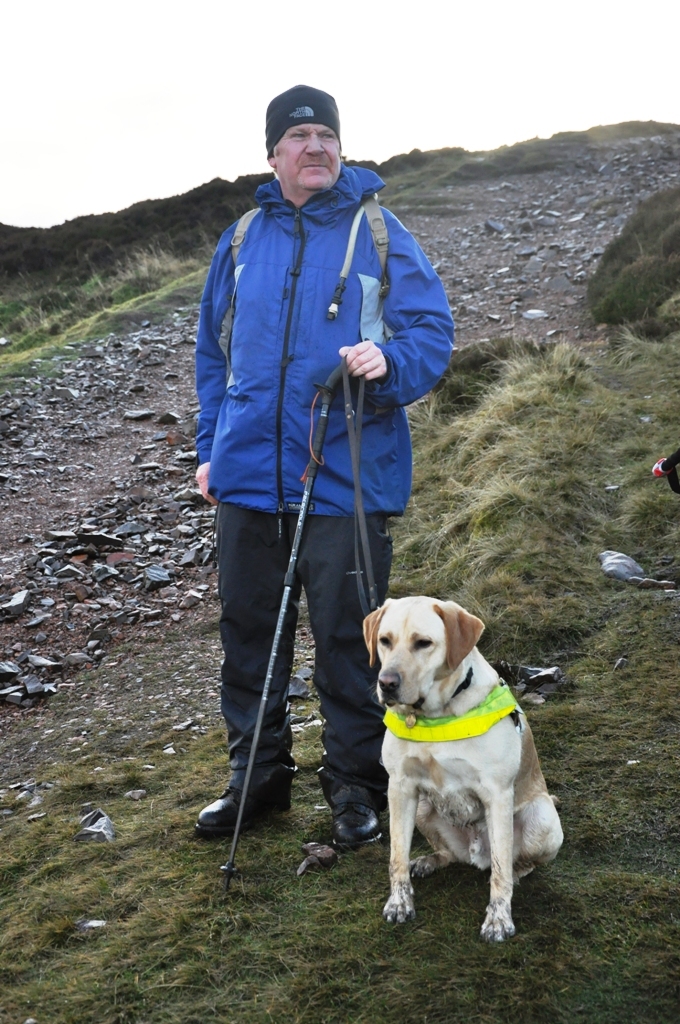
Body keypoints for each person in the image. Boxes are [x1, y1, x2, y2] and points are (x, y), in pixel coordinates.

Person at [193, 84, 454, 848]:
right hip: (245, 478)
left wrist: (390, 358)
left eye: (327, 135)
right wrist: (211, 451)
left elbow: (430, 331)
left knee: (350, 641)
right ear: (273, 153)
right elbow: (213, 354)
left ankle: (356, 789)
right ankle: (257, 780)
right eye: (300, 135)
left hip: (347, 479)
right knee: (248, 633)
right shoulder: (241, 239)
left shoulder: (378, 231)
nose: (316, 147)